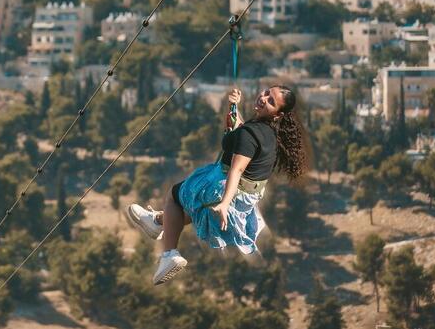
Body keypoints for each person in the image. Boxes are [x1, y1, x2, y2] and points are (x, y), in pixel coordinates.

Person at [125, 85, 309, 285]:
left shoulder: (250, 134)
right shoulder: (269, 134)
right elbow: (238, 130)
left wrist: (224, 203)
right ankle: (159, 222)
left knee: (175, 195)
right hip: (245, 198)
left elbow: (237, 169)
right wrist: (233, 106)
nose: (264, 98)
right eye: (266, 93)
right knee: (196, 206)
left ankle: (169, 254)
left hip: (225, 190)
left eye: (271, 101)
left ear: (277, 114)